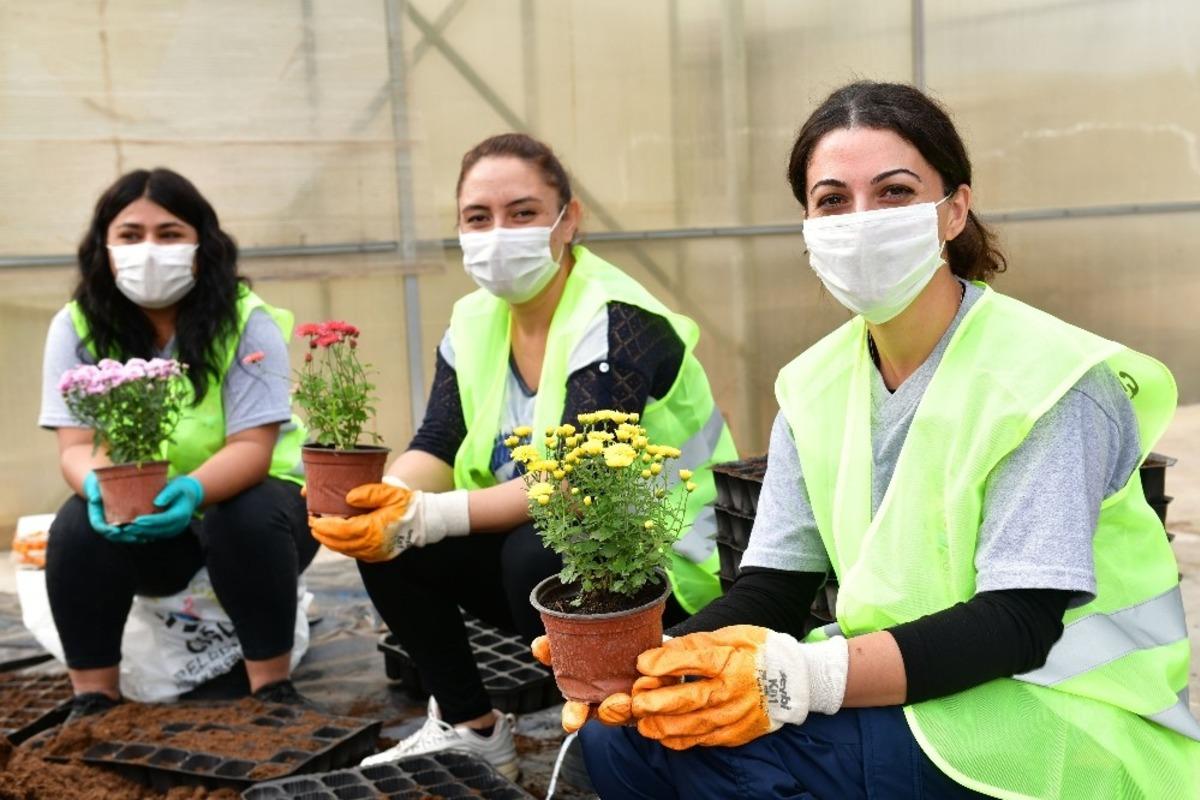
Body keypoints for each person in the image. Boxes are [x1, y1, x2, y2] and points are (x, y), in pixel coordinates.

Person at [576, 81, 1200, 799]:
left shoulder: (1047, 380)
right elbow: (775, 590)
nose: (861, 220)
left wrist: (796, 680)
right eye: (833, 200)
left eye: (895, 192)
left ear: (954, 211)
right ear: (807, 224)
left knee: (726, 761)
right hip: (914, 681)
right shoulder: (813, 384)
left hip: (1060, 714)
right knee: (624, 732)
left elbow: (1019, 623)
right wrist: (648, 666)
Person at [309, 132, 737, 778]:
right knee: (387, 543)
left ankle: (619, 734)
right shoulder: (475, 320)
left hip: (671, 567)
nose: (498, 232)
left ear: (570, 219)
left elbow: (579, 486)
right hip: (556, 550)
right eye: (478, 217)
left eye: (523, 212)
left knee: (532, 555)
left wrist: (428, 516)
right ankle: (470, 728)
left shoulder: (616, 317)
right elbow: (438, 440)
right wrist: (389, 500)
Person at [40, 168, 316, 718]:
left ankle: (271, 688)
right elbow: (75, 446)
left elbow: (253, 448)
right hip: (145, 524)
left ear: (201, 244)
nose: (149, 250)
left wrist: (190, 491)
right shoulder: (77, 325)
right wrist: (99, 487)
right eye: (130, 234)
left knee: (246, 514)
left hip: (263, 513)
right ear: (104, 246)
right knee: (75, 526)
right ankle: (93, 698)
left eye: (169, 234)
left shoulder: (244, 320)